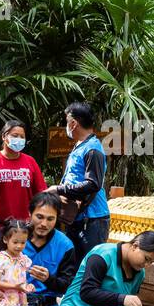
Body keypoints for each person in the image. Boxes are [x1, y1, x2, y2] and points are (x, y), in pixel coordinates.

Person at [0, 118, 47, 261]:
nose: (18, 139)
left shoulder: (30, 162)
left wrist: (39, 221)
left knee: (23, 267)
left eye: (22, 136)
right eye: (14, 135)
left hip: (25, 227)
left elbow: (41, 194)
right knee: (0, 268)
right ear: (4, 137)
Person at [49, 101, 109, 258]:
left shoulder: (93, 149)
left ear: (73, 123)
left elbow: (93, 184)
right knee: (73, 264)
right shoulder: (81, 145)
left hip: (92, 219)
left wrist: (59, 189)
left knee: (87, 265)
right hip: (77, 217)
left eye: (66, 121)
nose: (66, 125)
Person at [57, 231, 154, 306]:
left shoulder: (140, 274)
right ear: (135, 246)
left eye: (151, 262)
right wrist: (122, 299)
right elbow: (87, 292)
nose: (147, 265)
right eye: (146, 259)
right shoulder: (103, 255)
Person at [0, 219, 34, 306]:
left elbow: (22, 279)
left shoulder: (23, 259)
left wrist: (28, 286)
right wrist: (15, 286)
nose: (19, 246)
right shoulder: (1, 260)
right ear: (5, 240)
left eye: (23, 242)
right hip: (4, 298)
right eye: (15, 242)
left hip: (19, 300)